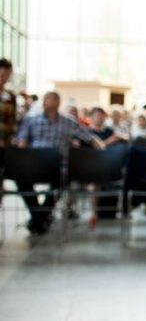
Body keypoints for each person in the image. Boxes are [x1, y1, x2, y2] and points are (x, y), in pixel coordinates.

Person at [16, 92, 104, 233]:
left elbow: (88, 137)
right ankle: (41, 217)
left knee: (63, 179)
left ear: (59, 102)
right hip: (35, 163)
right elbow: (22, 143)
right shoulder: (31, 120)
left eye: (55, 99)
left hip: (58, 165)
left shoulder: (68, 122)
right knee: (20, 177)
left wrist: (99, 146)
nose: (51, 102)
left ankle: (38, 219)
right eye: (49, 99)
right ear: (44, 102)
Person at [0, 58, 17, 152]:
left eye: (8, 76)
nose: (5, 79)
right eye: (2, 75)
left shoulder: (11, 97)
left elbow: (12, 119)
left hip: (6, 145)